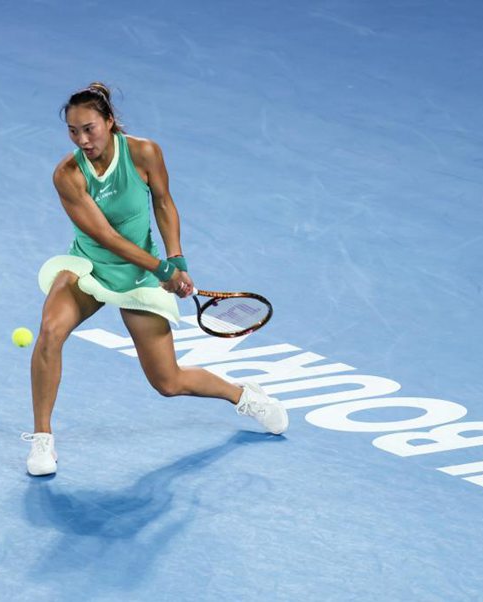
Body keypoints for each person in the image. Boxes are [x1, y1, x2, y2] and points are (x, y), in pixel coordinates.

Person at [21, 82, 288, 476]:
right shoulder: (67, 175)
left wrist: (176, 256)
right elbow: (106, 237)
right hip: (89, 267)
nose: (82, 139)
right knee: (50, 330)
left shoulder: (144, 153)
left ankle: (243, 395)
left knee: (168, 382)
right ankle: (42, 440)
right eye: (73, 131)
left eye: (90, 128)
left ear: (110, 122)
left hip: (138, 278)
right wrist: (162, 268)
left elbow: (163, 202)